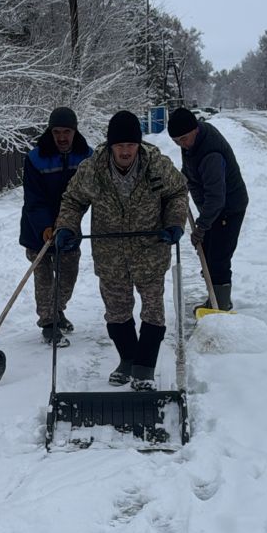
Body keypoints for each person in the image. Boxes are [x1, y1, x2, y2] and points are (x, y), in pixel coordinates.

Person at [53, 110, 187, 389]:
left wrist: (175, 222)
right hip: (110, 254)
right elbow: (73, 201)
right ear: (110, 146)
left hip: (150, 249)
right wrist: (67, 227)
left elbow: (177, 192)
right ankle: (127, 359)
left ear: (138, 145)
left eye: (130, 145)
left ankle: (144, 368)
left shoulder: (157, 166)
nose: (125, 151)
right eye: (120, 146)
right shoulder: (92, 170)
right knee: (116, 311)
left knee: (153, 309)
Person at [19, 106, 92, 345]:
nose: (62, 137)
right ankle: (48, 323)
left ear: (75, 131)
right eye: (57, 131)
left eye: (67, 132)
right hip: (37, 228)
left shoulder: (86, 156)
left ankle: (57, 310)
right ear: (50, 132)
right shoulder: (36, 158)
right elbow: (33, 199)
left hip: (69, 228)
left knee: (68, 274)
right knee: (44, 277)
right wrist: (45, 227)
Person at [167, 106, 248, 311]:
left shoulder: (211, 152)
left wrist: (201, 228)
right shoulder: (192, 141)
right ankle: (213, 298)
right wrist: (183, 183)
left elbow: (216, 197)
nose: (182, 145)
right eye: (176, 142)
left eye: (184, 139)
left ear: (195, 129)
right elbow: (190, 169)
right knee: (208, 252)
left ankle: (220, 304)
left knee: (218, 258)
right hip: (214, 207)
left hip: (227, 208)